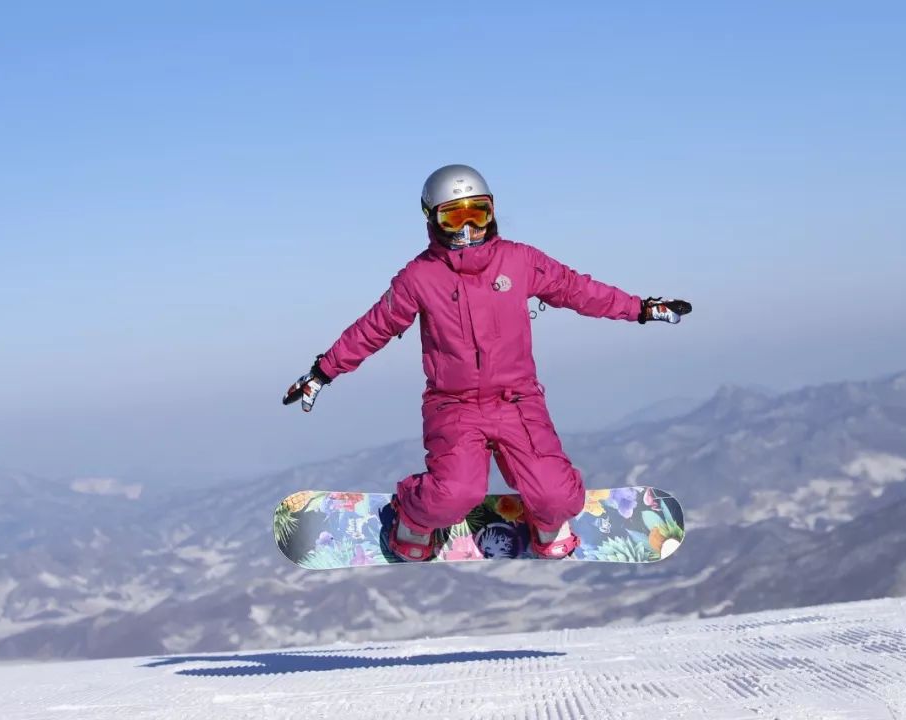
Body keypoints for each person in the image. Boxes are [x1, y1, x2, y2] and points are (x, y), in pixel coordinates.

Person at [285, 165, 691, 561]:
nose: (467, 228)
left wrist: (641, 308)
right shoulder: (419, 278)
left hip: (518, 402)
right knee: (455, 495)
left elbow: (579, 290)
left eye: (477, 213)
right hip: (454, 406)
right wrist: (322, 372)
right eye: (454, 216)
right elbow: (372, 328)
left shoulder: (519, 261)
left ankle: (549, 523)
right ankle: (411, 519)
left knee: (558, 496)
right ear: (432, 219)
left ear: (492, 211)